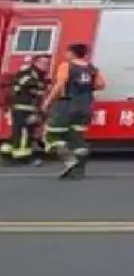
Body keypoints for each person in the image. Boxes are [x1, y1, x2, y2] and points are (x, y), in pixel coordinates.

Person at [41, 43, 105, 180]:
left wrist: (47, 102)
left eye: (67, 52)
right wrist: (86, 89)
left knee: (51, 136)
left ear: (72, 53)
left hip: (67, 105)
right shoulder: (92, 69)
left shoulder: (66, 66)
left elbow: (60, 84)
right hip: (85, 106)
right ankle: (79, 169)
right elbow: (101, 85)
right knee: (76, 138)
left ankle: (69, 160)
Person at [1, 54, 50, 166]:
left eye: (47, 63)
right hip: (21, 108)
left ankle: (6, 154)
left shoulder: (40, 76)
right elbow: (19, 87)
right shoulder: (28, 74)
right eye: (43, 63)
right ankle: (22, 157)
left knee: (19, 133)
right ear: (35, 63)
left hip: (30, 108)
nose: (46, 65)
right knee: (24, 133)